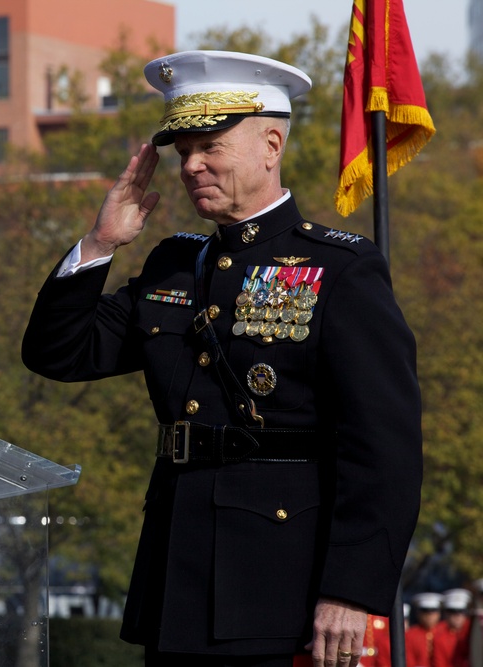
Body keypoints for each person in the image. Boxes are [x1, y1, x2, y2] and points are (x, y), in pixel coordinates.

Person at [21, 49, 423, 667]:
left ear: (270, 144)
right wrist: (100, 244)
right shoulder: (175, 264)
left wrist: (349, 590)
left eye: (210, 145)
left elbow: (384, 448)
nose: (192, 165)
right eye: (183, 151)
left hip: (277, 583)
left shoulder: (341, 269)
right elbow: (60, 352)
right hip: (176, 576)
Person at [406, 592, 444, 667]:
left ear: (439, 613)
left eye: (433, 610)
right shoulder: (410, 635)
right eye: (425, 611)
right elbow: (409, 662)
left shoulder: (445, 631)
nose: (429, 615)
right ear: (418, 613)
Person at [437, 589, 473, 667]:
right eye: (453, 611)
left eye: (461, 611)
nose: (457, 616)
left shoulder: (472, 630)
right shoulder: (440, 635)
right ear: (446, 613)